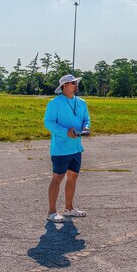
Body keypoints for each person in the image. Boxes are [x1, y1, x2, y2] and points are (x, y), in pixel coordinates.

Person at [44, 74, 91, 223]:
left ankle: (69, 209)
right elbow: (49, 123)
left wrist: (86, 127)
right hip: (60, 148)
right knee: (57, 178)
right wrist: (66, 132)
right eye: (73, 83)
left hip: (76, 147)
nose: (76, 85)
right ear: (64, 86)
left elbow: (86, 118)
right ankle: (52, 212)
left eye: (76, 82)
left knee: (73, 177)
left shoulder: (81, 102)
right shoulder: (55, 103)